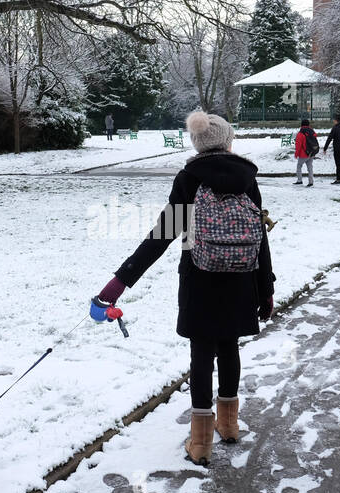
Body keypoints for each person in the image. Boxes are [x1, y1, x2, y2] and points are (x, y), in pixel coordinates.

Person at [94, 111, 275, 465]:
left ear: (198, 143)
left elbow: (162, 235)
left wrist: (121, 280)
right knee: (229, 348)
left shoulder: (189, 178)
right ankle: (230, 425)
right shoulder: (246, 177)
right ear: (226, 141)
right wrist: (265, 287)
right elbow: (261, 236)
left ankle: (201, 441)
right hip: (241, 278)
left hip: (200, 278)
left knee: (202, 354)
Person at [322, 113, 340, 185]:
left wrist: (325, 148)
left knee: (338, 163)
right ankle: (338, 179)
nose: (333, 121)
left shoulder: (335, 128)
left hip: (337, 148)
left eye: (334, 120)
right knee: (339, 163)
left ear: (336, 120)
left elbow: (329, 138)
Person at [293, 117, 318, 186]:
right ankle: (311, 182)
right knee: (310, 167)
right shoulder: (312, 132)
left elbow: (298, 145)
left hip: (303, 154)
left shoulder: (300, 133)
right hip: (311, 153)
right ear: (308, 125)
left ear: (301, 125)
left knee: (299, 166)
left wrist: (296, 154)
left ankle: (299, 180)